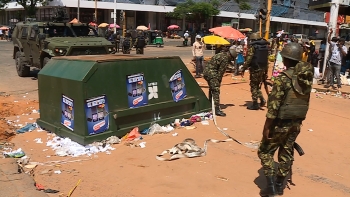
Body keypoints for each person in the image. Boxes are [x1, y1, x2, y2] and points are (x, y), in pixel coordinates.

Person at [257, 42, 314, 197]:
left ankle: (271, 187)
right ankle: (279, 184)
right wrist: (274, 84)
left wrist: (267, 127)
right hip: (296, 123)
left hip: (279, 123)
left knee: (265, 151)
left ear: (286, 59)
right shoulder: (305, 78)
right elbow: (292, 89)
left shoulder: (283, 78)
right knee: (286, 152)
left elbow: (274, 106)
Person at [241, 32, 270, 110]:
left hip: (255, 69)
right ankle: (262, 100)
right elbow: (267, 60)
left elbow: (249, 59)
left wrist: (243, 68)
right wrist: (266, 71)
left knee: (254, 86)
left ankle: (255, 104)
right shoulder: (265, 46)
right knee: (257, 86)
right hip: (263, 68)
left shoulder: (254, 47)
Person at [203, 48, 235, 117]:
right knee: (216, 90)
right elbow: (220, 72)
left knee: (212, 89)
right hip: (212, 73)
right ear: (230, 56)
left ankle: (210, 104)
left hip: (207, 72)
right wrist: (218, 81)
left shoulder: (221, 54)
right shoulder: (225, 59)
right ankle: (216, 109)